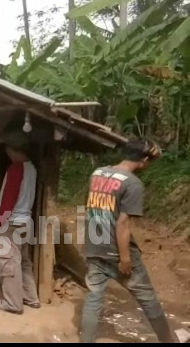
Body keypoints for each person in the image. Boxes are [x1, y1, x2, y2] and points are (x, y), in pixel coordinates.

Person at [80, 139, 178, 343]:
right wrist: (125, 258)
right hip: (116, 250)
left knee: (94, 297)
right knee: (147, 297)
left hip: (94, 246)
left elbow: (92, 208)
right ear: (143, 160)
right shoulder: (132, 183)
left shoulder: (97, 173)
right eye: (149, 162)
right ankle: (169, 341)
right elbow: (123, 224)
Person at [0, 131, 41, 314]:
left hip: (11, 223)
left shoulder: (16, 168)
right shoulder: (31, 168)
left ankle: (12, 303)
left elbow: (9, 198)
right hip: (25, 221)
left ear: (12, 149)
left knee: (7, 262)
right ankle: (31, 297)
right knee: (23, 262)